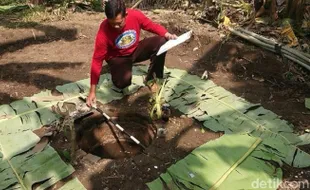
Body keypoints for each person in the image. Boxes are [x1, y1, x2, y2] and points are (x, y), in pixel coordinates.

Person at [86, 0, 177, 106]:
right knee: (122, 83)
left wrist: (167, 34)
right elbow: (97, 60)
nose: (116, 27)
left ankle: (151, 78)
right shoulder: (104, 30)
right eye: (112, 24)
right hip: (117, 57)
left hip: (135, 50)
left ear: (126, 14)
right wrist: (92, 92)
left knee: (162, 42)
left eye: (119, 23)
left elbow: (151, 26)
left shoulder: (135, 15)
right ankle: (120, 69)